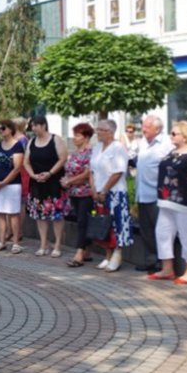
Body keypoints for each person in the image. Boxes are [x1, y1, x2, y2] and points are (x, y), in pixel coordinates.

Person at [147, 121, 187, 284]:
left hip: (185, 201)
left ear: (185, 136)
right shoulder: (172, 152)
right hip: (166, 200)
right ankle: (167, 268)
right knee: (162, 233)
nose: (171, 136)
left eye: (174, 133)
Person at [89, 119, 133, 272]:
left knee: (117, 224)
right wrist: (94, 189)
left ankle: (117, 254)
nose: (98, 132)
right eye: (98, 129)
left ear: (110, 132)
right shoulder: (97, 147)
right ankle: (107, 255)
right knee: (104, 224)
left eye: (101, 129)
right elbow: (92, 170)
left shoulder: (118, 148)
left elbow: (118, 172)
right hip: (99, 192)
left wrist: (105, 190)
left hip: (115, 192)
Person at [23, 116, 69, 257]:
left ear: (43, 125)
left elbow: (63, 158)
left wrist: (50, 173)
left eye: (35, 126)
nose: (33, 129)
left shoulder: (56, 139)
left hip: (54, 183)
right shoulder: (31, 142)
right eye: (32, 126)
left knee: (57, 215)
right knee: (40, 215)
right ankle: (44, 244)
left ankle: (57, 244)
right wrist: (32, 175)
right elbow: (26, 162)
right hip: (37, 183)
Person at [134, 115, 173, 273]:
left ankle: (162, 262)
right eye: (143, 126)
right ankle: (150, 260)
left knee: (160, 230)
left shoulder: (166, 144)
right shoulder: (143, 143)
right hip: (142, 193)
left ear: (157, 129)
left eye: (147, 127)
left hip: (157, 195)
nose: (143, 129)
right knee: (146, 230)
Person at [62, 123, 95, 267]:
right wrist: (65, 180)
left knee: (83, 222)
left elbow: (87, 174)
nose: (74, 138)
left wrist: (69, 181)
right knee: (81, 222)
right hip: (73, 192)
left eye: (77, 135)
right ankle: (87, 251)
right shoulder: (75, 153)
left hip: (86, 192)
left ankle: (79, 254)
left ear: (86, 137)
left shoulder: (90, 152)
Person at [0, 119, 25, 254]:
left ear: (11, 129)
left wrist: (3, 182)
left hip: (12, 184)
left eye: (3, 128)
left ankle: (16, 243)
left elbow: (16, 168)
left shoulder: (17, 146)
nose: (1, 130)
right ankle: (1, 241)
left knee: (13, 213)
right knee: (0, 213)